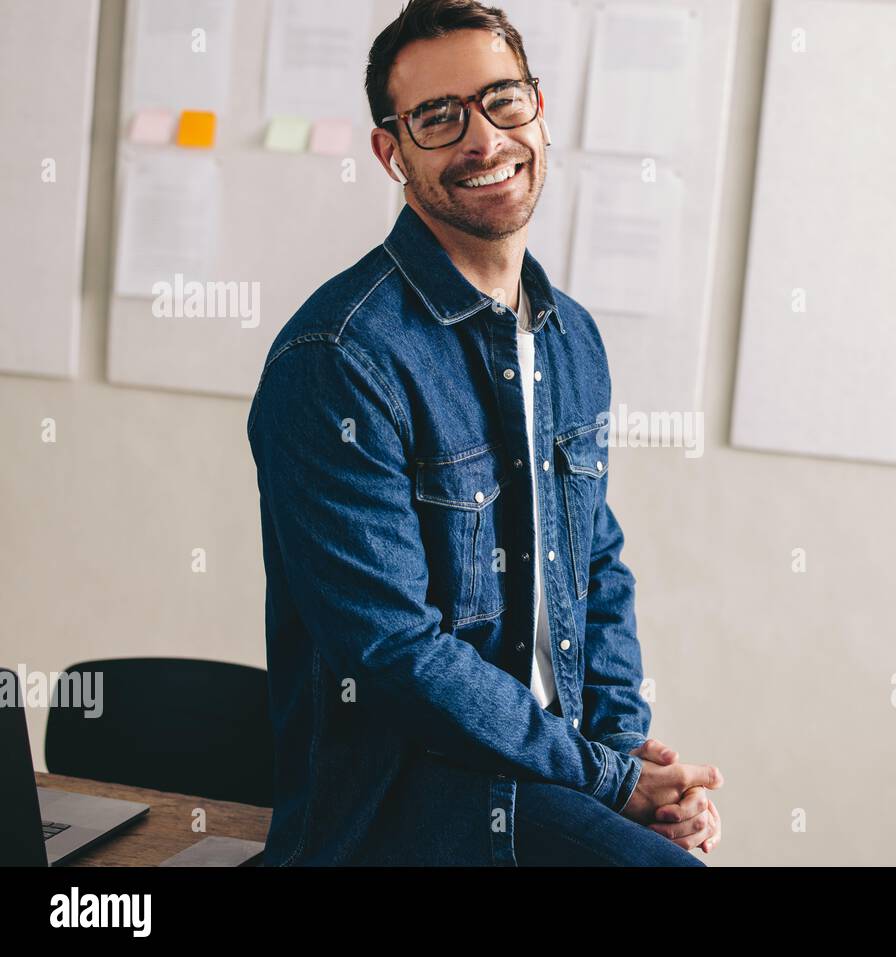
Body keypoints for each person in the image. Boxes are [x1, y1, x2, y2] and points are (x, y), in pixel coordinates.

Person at [245, 0, 722, 865]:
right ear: (393, 153)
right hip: (412, 813)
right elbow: (396, 653)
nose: (483, 138)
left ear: (538, 110)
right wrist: (610, 784)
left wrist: (633, 771)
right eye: (439, 116)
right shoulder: (338, 359)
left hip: (556, 781)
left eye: (503, 100)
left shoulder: (570, 337)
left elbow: (597, 571)